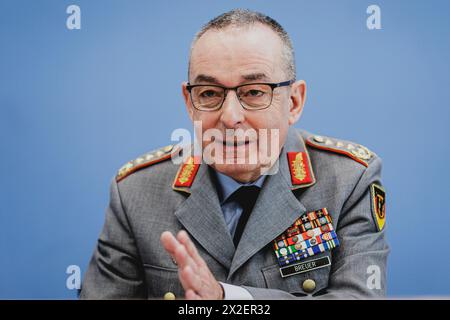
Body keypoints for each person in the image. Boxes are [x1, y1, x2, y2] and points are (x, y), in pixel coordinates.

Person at [80, 9, 388, 300]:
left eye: (254, 91)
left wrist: (230, 300)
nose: (230, 117)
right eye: (209, 94)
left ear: (294, 102)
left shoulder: (348, 181)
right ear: (189, 103)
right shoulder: (136, 193)